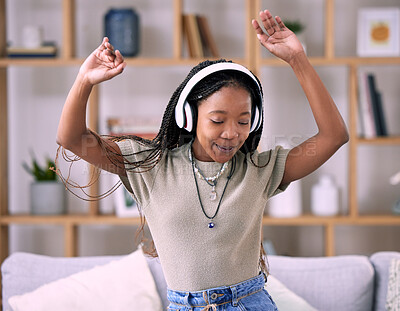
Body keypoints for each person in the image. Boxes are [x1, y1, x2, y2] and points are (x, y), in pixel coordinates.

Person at [56, 9, 348, 311]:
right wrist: (84, 80)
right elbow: (72, 138)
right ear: (189, 116)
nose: (232, 134)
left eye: (243, 121)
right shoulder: (150, 166)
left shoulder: (261, 169)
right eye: (218, 120)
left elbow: (333, 136)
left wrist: (297, 60)